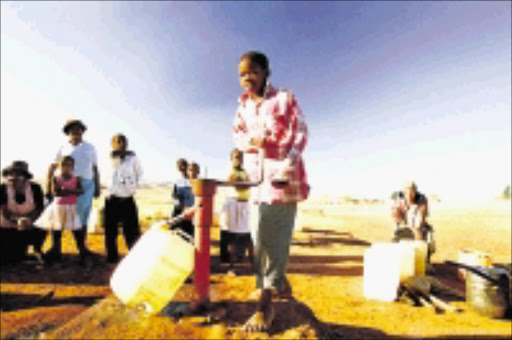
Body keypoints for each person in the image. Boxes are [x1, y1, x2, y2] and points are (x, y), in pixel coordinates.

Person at [232, 51, 309, 332]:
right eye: (242, 74)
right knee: (258, 235)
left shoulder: (284, 99)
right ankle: (280, 282)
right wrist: (252, 140)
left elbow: (300, 133)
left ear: (266, 72)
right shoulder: (242, 107)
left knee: (269, 237)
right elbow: (236, 136)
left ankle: (266, 306)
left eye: (252, 71)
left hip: (281, 178)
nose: (247, 78)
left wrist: (287, 166)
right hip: (256, 181)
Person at [46, 119, 101, 262]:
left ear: (83, 131)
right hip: (65, 184)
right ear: (68, 133)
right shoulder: (62, 148)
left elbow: (95, 168)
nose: (76, 132)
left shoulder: (90, 148)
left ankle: (82, 249)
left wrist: (97, 186)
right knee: (59, 215)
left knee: (81, 217)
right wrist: (48, 187)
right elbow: (52, 167)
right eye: (72, 130)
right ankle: (55, 249)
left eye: (79, 129)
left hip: (86, 185)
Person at [104, 133, 143, 263]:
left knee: (131, 230)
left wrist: (131, 187)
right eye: (118, 141)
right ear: (113, 144)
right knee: (111, 230)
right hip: (112, 198)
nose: (121, 143)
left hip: (127, 198)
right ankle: (112, 256)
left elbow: (139, 173)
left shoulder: (133, 158)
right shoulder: (109, 157)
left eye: (123, 141)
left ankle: (134, 256)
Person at [36, 156, 83, 264]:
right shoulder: (56, 179)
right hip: (58, 208)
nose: (66, 167)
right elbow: (55, 193)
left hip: (71, 207)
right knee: (56, 230)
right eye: (63, 165)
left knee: (76, 231)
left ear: (73, 167)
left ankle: (82, 253)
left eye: (69, 165)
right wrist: (72, 191)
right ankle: (56, 251)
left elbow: (81, 191)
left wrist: (65, 191)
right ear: (59, 166)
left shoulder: (76, 179)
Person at [1, 161, 47, 264]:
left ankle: (37, 248)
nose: (14, 178)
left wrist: (30, 220)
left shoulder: (35, 188)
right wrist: (16, 220)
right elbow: (4, 210)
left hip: (30, 225)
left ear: (25, 177)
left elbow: (40, 208)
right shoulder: (3, 188)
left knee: (41, 228)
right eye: (11, 174)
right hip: (8, 226)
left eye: (18, 175)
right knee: (9, 259)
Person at [219, 148, 254, 274]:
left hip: (245, 204)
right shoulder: (229, 171)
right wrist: (244, 183)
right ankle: (232, 267)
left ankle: (253, 266)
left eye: (240, 157)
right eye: (236, 157)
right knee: (232, 237)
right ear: (231, 158)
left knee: (249, 236)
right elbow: (237, 185)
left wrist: (244, 183)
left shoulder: (245, 172)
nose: (238, 159)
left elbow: (247, 184)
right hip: (233, 204)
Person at [392, 180, 436, 268]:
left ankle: (424, 261)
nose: (409, 195)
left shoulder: (422, 199)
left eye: (412, 192)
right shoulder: (399, 199)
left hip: (419, 228)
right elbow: (396, 216)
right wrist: (402, 224)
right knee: (395, 239)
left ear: (415, 192)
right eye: (407, 192)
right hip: (404, 226)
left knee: (427, 240)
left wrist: (415, 231)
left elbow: (420, 219)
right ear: (403, 192)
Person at [170, 158, 195, 238]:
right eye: (179, 166)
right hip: (178, 209)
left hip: (189, 210)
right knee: (174, 231)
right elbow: (174, 195)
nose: (181, 168)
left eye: (182, 166)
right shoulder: (178, 181)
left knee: (188, 233)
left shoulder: (193, 180)